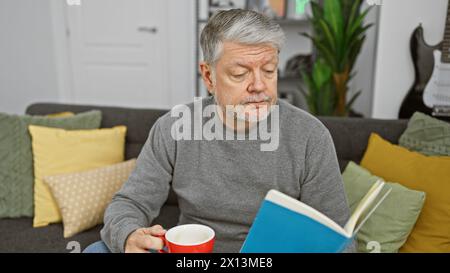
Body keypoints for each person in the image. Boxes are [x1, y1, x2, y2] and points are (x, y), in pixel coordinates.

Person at [84, 9, 355, 253]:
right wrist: (129, 235)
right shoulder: (174, 127)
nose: (259, 86)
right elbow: (129, 203)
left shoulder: (309, 136)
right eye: (240, 73)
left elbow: (340, 237)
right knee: (97, 251)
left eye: (269, 71)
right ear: (209, 77)